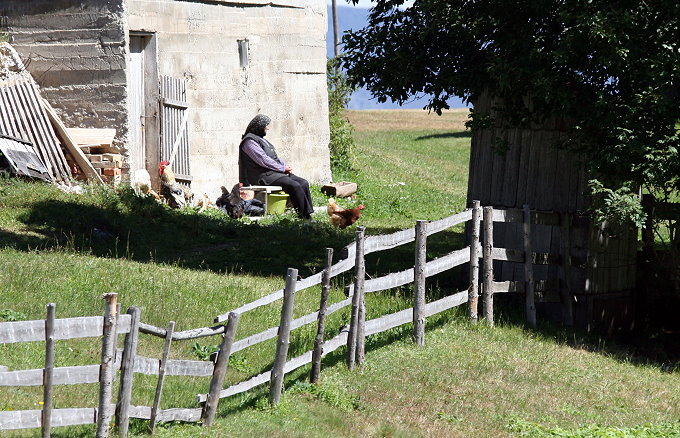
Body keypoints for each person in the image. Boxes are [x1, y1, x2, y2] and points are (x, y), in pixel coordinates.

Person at [238, 114, 315, 219]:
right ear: (259, 126)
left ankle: (308, 213)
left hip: (273, 173)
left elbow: (274, 158)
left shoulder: (261, 140)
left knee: (303, 183)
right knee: (294, 186)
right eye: (266, 125)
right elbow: (263, 160)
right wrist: (282, 168)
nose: (267, 128)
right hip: (262, 176)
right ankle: (304, 216)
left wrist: (284, 166)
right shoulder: (249, 142)